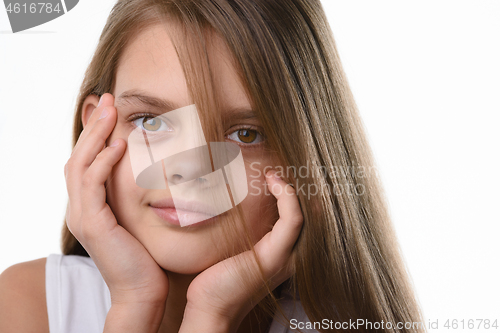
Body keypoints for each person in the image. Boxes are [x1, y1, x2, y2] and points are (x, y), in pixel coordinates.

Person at [0, 0, 425, 332]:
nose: (189, 169)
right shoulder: (27, 307)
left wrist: (212, 317)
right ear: (97, 130)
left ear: (305, 158)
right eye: (152, 121)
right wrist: (133, 306)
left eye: (245, 134)